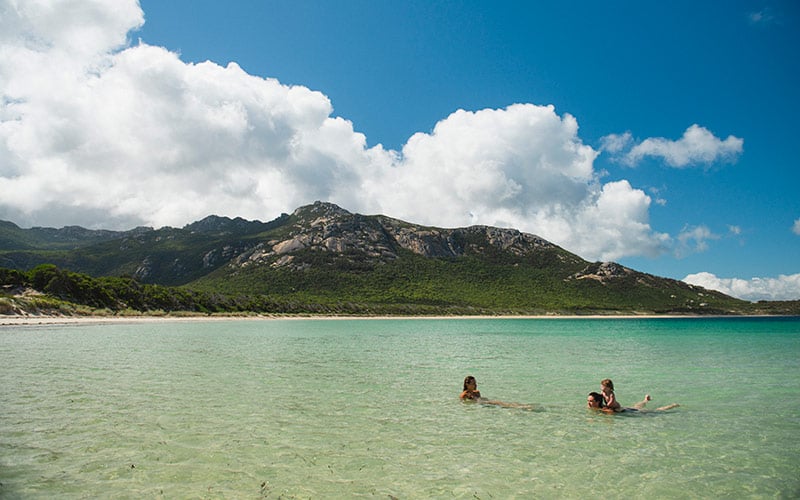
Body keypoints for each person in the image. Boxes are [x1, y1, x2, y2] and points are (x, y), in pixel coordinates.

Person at [460, 375, 533, 409]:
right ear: (467, 384)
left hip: (485, 402)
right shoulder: (464, 394)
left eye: (475, 383)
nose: (475, 385)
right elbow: (463, 403)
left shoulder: (477, 392)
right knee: (500, 404)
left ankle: (521, 406)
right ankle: (521, 407)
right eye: (473, 383)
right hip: (483, 404)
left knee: (501, 403)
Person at [587, 391, 679, 413]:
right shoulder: (596, 407)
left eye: (591, 401)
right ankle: (645, 400)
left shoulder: (604, 409)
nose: (589, 403)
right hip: (626, 409)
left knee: (656, 411)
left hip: (629, 412)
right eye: (588, 401)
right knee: (636, 406)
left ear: (598, 402)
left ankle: (673, 405)